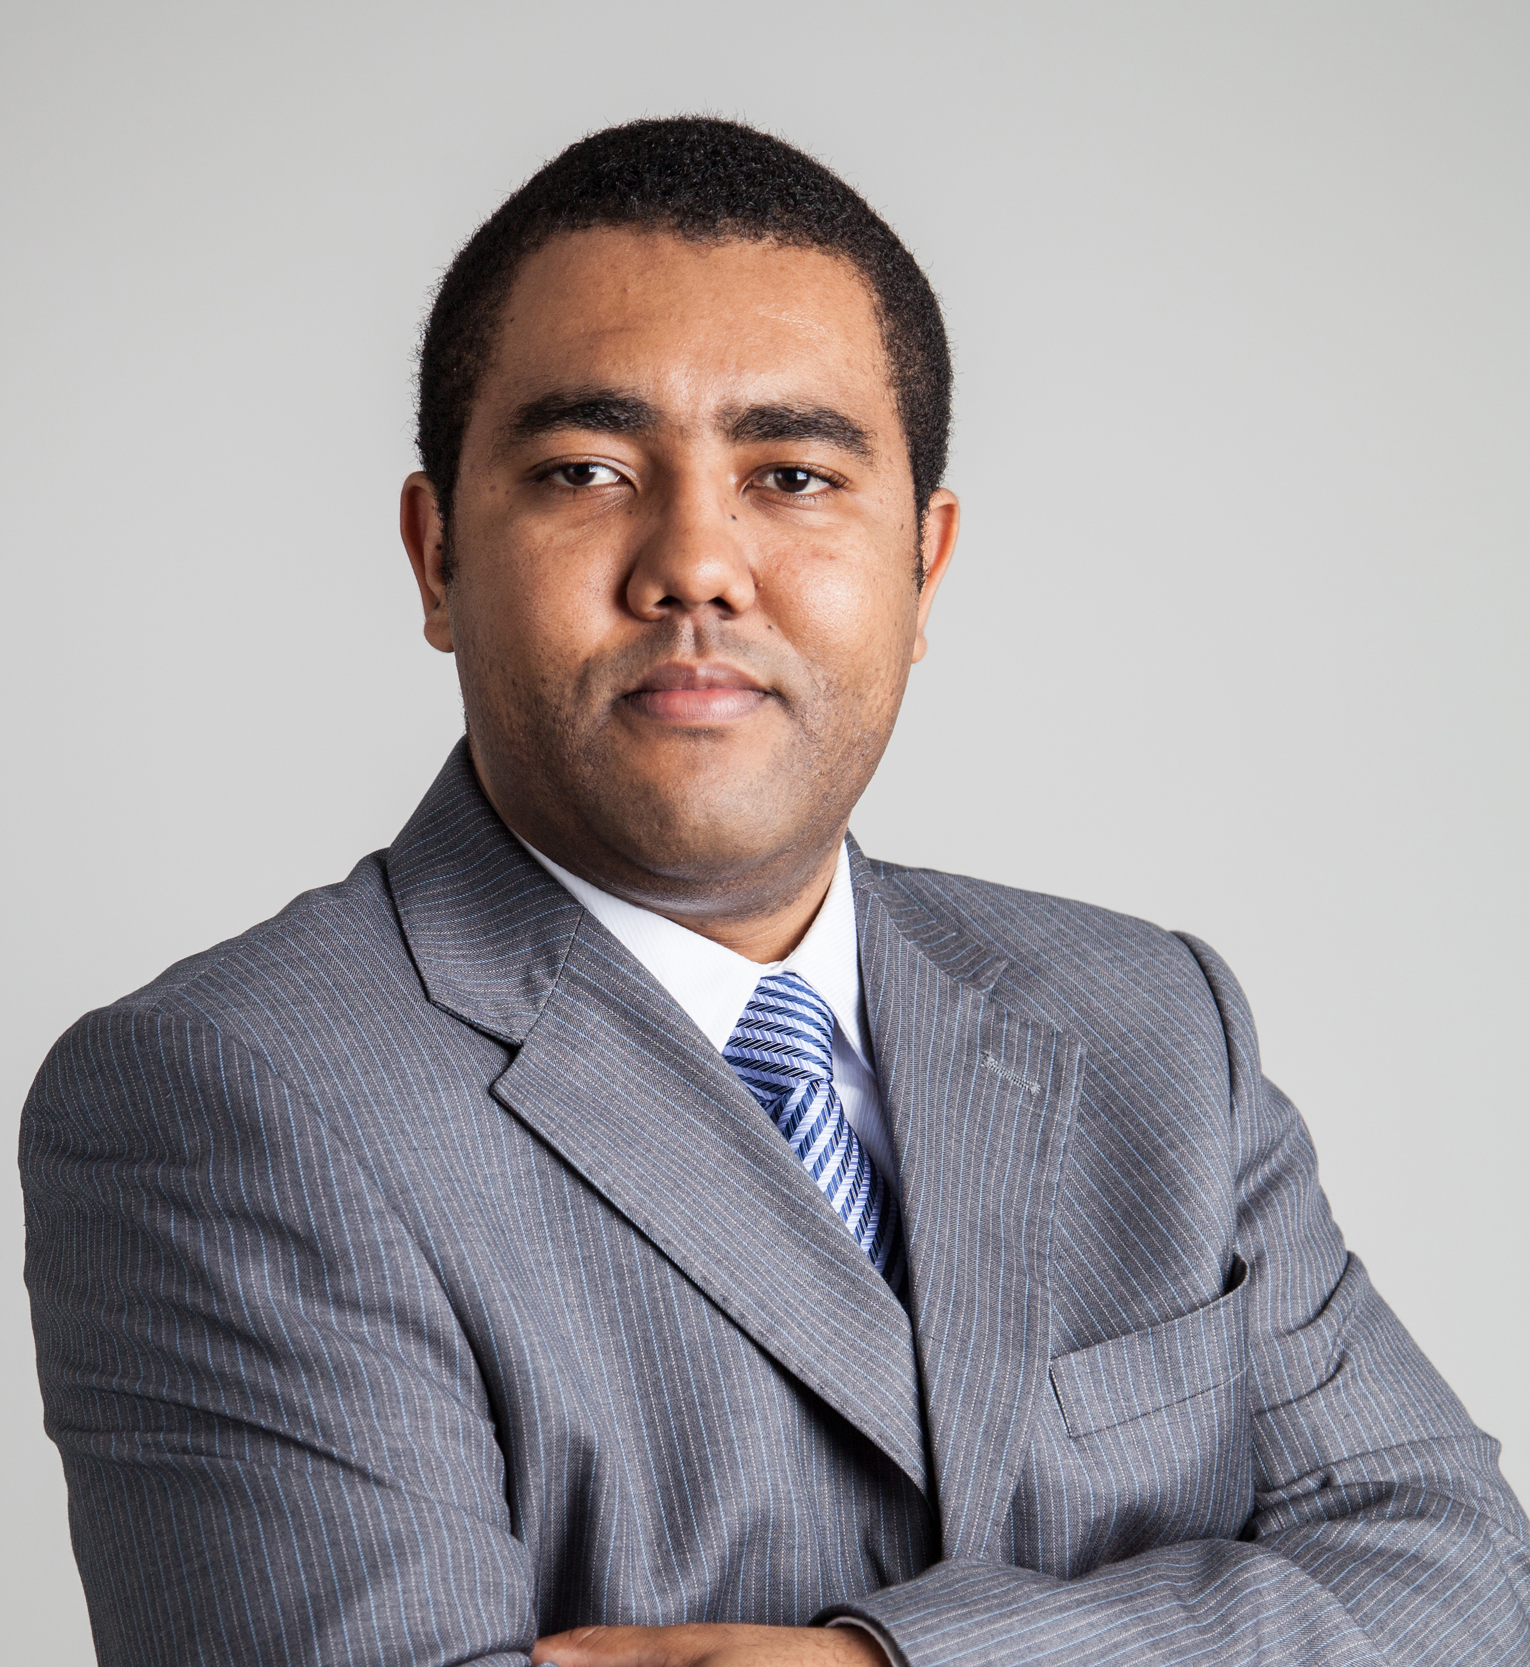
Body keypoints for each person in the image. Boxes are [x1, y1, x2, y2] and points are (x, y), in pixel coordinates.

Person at [20, 116, 1528, 1667]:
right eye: (586, 470)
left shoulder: (1151, 1024)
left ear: (923, 568)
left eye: (792, 475)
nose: (695, 563)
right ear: (437, 558)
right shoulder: (227, 1095)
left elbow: (1462, 1585)